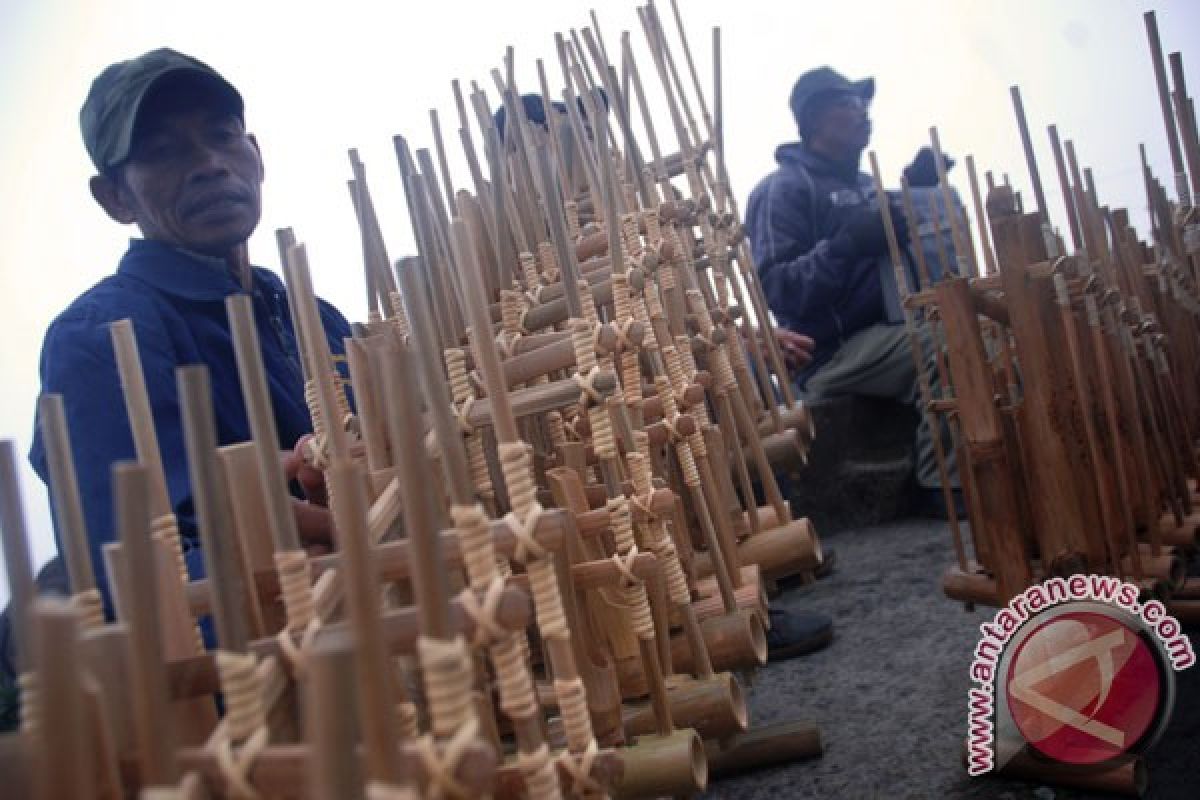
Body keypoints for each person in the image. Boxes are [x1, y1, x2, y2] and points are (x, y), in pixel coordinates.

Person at [1, 49, 350, 688]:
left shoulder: (314, 315)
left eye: (221, 137)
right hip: (281, 703)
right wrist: (266, 534)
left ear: (257, 154)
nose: (208, 165)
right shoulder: (101, 337)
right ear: (114, 198)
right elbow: (137, 582)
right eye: (164, 152)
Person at [745, 66, 957, 513]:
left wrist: (913, 193)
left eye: (865, 105)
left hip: (892, 330)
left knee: (972, 325)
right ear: (816, 119)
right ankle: (943, 485)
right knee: (949, 344)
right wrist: (843, 247)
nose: (864, 114)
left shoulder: (864, 186)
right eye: (850, 104)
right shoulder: (782, 188)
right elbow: (777, 288)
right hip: (831, 353)